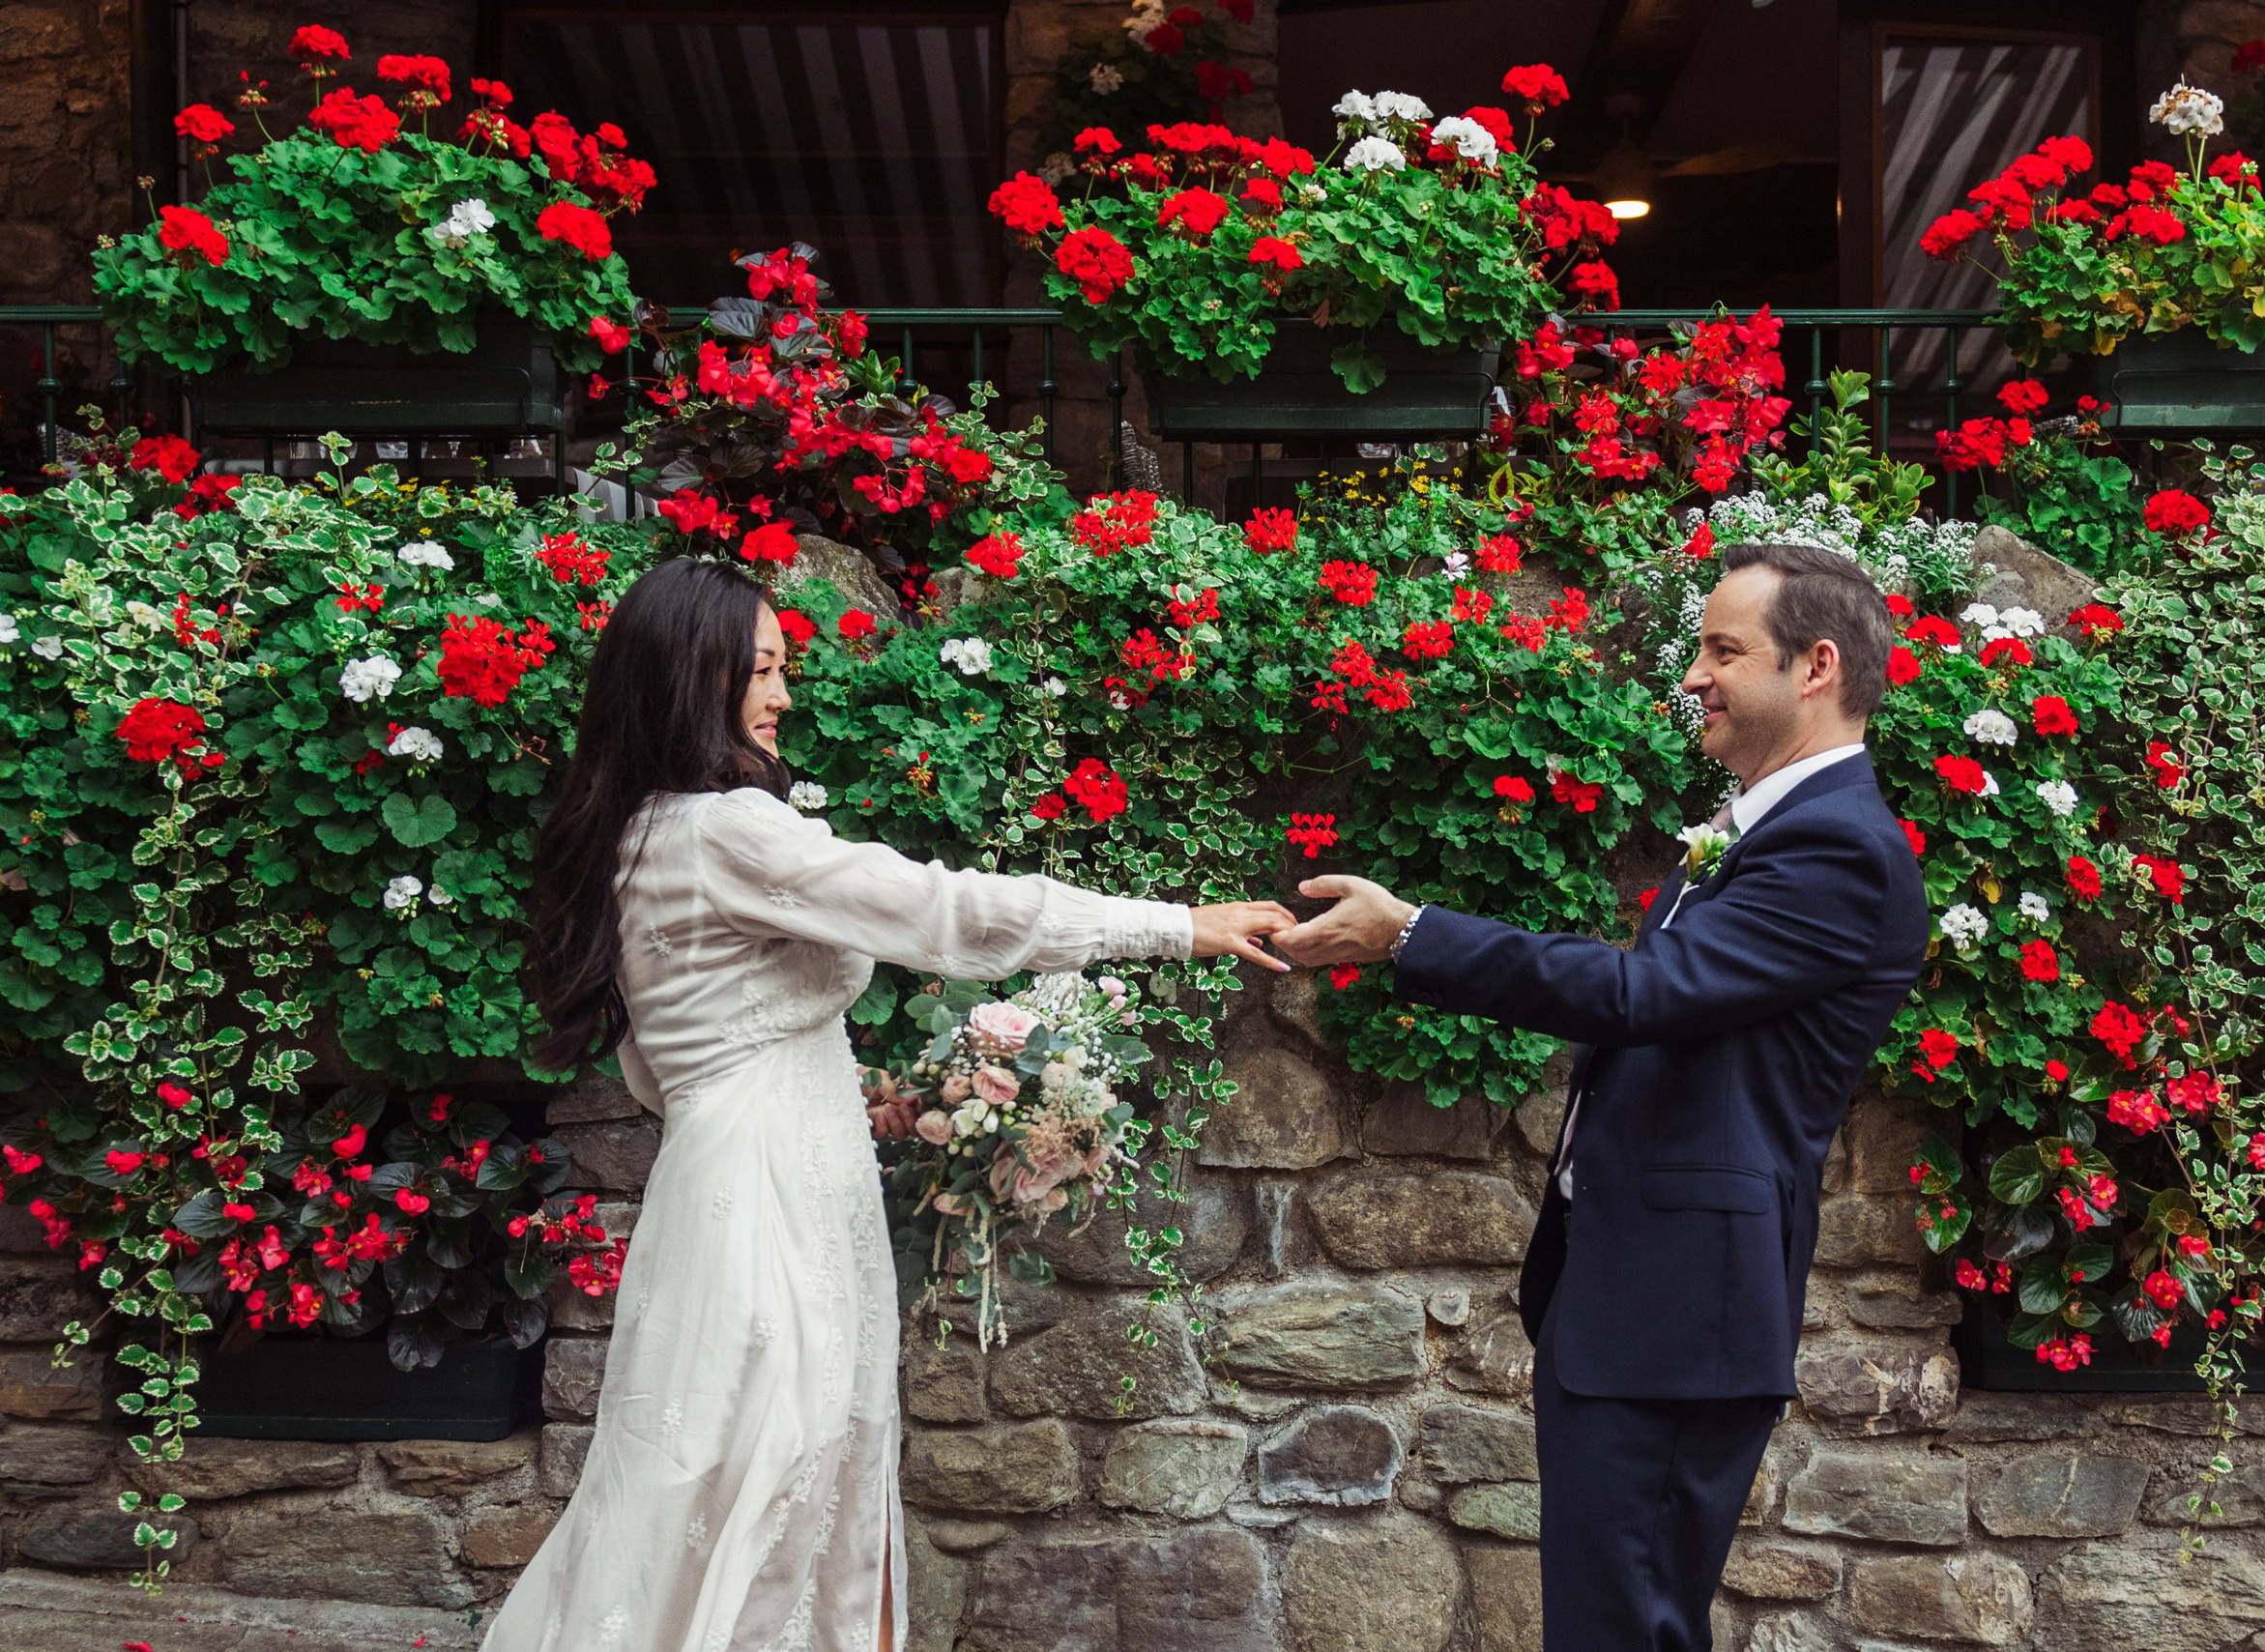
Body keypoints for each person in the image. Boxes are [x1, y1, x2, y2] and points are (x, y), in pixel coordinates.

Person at [492, 558, 1294, 1652]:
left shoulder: (638, 832)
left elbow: (664, 1064)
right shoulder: (729, 828)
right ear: (696, 677)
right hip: (769, 1197)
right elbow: (937, 909)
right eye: (762, 669)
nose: (781, 695)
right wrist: (1169, 924)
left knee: (738, 1476)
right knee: (781, 1470)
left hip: (738, 1175)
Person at [1276, 541, 1929, 1652]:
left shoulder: (1840, 848)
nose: (1691, 675)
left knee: (1624, 1626)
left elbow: (1649, 992)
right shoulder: (1762, 824)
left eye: (1724, 649)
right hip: (1638, 1299)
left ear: (1815, 666)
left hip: (1683, 1313)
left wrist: (1415, 935)